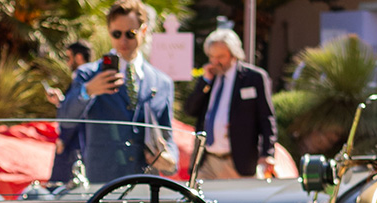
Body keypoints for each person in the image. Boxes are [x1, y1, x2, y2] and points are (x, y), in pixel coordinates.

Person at [56, 0, 176, 182]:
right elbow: (65, 120)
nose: (123, 41)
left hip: (146, 185)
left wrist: (169, 161)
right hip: (102, 184)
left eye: (130, 33)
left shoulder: (162, 82)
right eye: (116, 34)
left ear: (143, 31)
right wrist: (87, 91)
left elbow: (167, 135)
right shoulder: (88, 74)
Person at [183, 28, 276, 179]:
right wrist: (205, 82)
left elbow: (267, 118)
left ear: (234, 54)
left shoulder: (254, 78)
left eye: (220, 56)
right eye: (212, 57)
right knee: (201, 201)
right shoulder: (210, 79)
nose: (215, 62)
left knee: (242, 202)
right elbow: (190, 110)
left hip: (239, 161)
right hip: (208, 161)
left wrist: (268, 153)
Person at [45, 40, 91, 184]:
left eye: (68, 57)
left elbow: (80, 114)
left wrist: (63, 139)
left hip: (75, 146)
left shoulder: (84, 78)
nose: (67, 62)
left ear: (78, 57)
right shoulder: (86, 78)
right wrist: (61, 101)